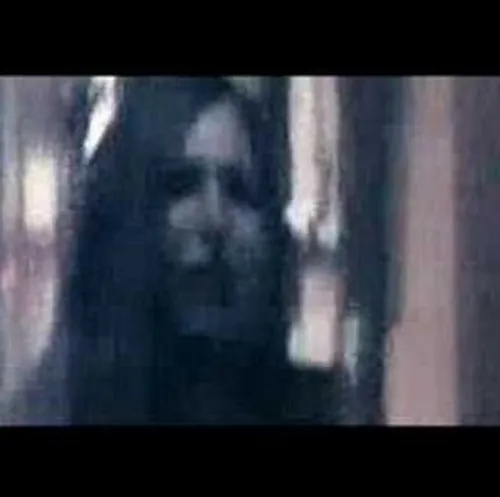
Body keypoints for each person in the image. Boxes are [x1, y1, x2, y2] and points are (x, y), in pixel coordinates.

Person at [59, 77, 336, 424]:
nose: (215, 217)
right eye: (181, 185)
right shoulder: (60, 406)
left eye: (239, 190)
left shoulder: (324, 408)